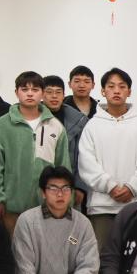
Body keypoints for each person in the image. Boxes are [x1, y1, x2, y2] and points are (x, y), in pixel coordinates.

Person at [78, 67, 137, 249]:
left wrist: (132, 188)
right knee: (101, 255)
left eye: (122, 87)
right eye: (111, 86)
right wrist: (111, 186)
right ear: (103, 91)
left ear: (129, 92)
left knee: (135, 256)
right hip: (101, 207)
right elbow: (86, 164)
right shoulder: (93, 126)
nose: (116, 91)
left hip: (136, 205)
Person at [0, 71, 70, 236]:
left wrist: (66, 199)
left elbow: (63, 165)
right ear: (16, 92)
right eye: (25, 89)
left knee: (46, 248)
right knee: (15, 248)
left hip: (48, 206)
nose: (30, 93)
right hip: (12, 206)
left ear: (42, 93)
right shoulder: (1, 126)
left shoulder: (55, 126)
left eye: (35, 89)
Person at [42, 75, 88, 209]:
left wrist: (80, 186)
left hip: (69, 183)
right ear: (42, 94)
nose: (54, 96)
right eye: (49, 92)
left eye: (58, 92)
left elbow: (83, 156)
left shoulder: (79, 121)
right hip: (39, 183)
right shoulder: (33, 118)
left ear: (64, 95)